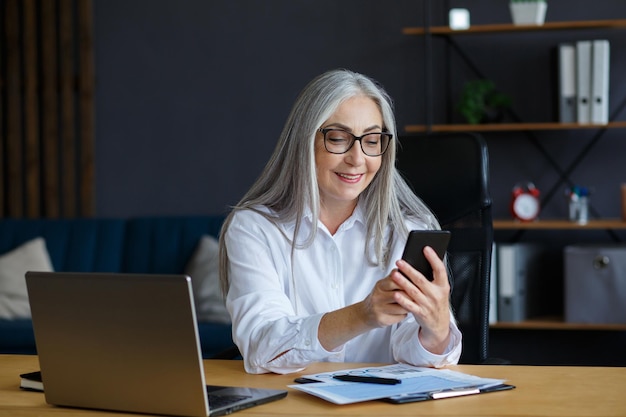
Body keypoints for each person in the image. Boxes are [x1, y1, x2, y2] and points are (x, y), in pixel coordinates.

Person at [218, 69, 462, 374]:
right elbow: (262, 347)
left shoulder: (410, 228)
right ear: (304, 141)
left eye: (372, 141)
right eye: (338, 139)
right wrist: (362, 315)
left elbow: (419, 356)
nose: (357, 158)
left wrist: (436, 331)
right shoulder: (254, 229)